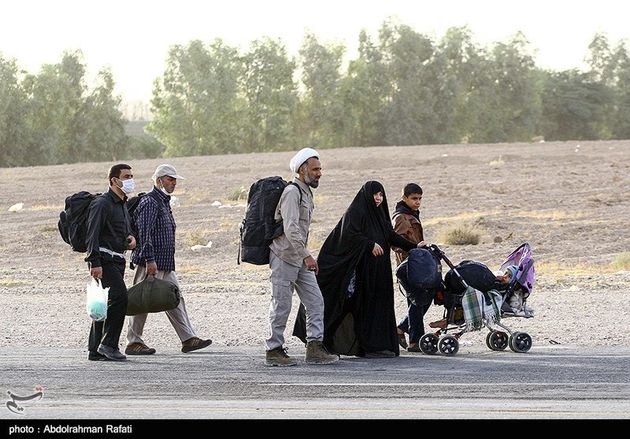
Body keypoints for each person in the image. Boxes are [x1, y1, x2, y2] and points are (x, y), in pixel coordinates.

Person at [295, 181, 420, 358]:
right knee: (344, 307)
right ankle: (322, 344)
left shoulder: (380, 215)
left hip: (375, 273)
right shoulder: (357, 212)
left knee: (373, 307)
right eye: (375, 194)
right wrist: (369, 244)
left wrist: (415, 247)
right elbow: (348, 235)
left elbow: (391, 236)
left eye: (381, 195)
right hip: (356, 273)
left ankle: (374, 347)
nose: (378, 198)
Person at [125, 164, 212, 355]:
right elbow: (144, 233)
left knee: (174, 298)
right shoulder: (149, 202)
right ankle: (133, 342)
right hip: (150, 262)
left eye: (174, 180)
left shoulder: (163, 202)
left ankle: (188, 339)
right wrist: (149, 260)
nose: (173, 183)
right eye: (170, 179)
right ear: (159, 181)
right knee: (141, 300)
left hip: (164, 262)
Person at [265, 148, 339, 367]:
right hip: (284, 256)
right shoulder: (292, 192)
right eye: (315, 169)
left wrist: (304, 256)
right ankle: (273, 350)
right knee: (281, 305)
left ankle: (315, 347)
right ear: (301, 170)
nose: (319, 173)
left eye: (319, 169)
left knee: (315, 301)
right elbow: (291, 228)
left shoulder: (306, 192)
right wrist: (308, 255)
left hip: (299, 258)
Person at [85, 163, 137, 361]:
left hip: (117, 259)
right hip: (103, 259)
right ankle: (109, 345)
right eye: (126, 176)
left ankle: (95, 350)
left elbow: (122, 231)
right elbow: (92, 234)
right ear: (114, 180)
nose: (130, 180)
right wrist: (94, 262)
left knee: (104, 304)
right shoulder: (102, 203)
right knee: (120, 297)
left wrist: (131, 239)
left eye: (131, 175)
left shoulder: (122, 203)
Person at [392, 183, 429, 352]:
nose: (418, 202)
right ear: (404, 198)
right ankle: (415, 341)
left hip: (416, 265)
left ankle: (402, 329)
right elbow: (395, 243)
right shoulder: (401, 217)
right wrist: (415, 248)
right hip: (408, 266)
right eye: (414, 198)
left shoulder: (411, 214)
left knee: (420, 299)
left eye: (420, 198)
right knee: (418, 299)